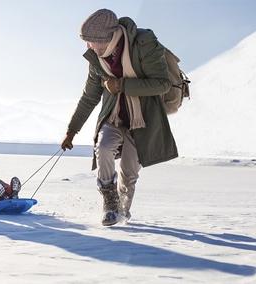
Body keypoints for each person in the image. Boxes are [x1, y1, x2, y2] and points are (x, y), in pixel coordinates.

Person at [61, 9, 178, 226]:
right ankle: (109, 202)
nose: (89, 47)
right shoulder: (97, 60)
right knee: (103, 148)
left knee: (129, 170)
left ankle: (123, 210)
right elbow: (89, 97)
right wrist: (71, 131)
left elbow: (162, 84)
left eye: (91, 42)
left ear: (108, 38)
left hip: (142, 120)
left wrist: (122, 85)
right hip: (113, 116)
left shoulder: (143, 44)